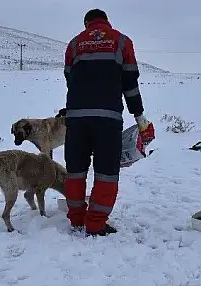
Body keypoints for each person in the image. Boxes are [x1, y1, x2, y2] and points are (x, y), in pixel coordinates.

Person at [63, 8, 155, 237]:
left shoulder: (74, 44)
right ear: (106, 22)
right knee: (106, 172)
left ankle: (76, 220)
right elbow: (130, 84)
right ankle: (95, 224)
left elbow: (69, 79)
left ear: (87, 24)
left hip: (76, 118)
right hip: (108, 119)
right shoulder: (122, 42)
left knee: (75, 171)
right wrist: (139, 117)